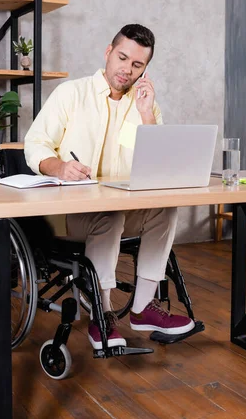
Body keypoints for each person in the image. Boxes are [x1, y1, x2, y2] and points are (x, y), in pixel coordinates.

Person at [25, 24, 195, 349]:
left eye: (137, 65)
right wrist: (60, 167)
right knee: (110, 216)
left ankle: (143, 308)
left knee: (164, 209)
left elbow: (160, 166)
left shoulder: (145, 107)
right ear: (108, 52)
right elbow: (35, 145)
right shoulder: (71, 94)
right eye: (122, 58)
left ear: (145, 69)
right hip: (66, 215)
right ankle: (101, 315)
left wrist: (146, 114)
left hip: (116, 212)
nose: (127, 69)